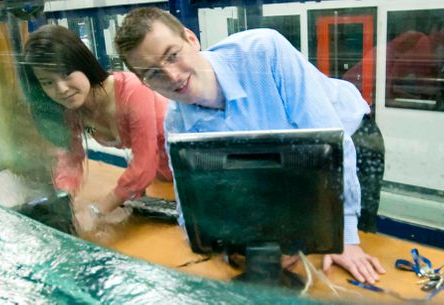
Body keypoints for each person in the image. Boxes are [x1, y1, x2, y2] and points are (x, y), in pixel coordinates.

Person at [115, 7, 387, 284]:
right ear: (143, 82)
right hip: (290, 155)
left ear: (191, 39)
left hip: (349, 138)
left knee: (341, 253)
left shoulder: (264, 52)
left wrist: (345, 238)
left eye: (173, 55)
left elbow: (329, 145)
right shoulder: (178, 122)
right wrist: (220, 241)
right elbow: (193, 198)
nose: (172, 76)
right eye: (153, 73)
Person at [22, 25, 172, 229]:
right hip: (161, 180)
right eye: (48, 82)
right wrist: (64, 201)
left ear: (82, 64)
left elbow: (144, 163)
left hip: (193, 170)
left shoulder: (132, 91)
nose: (61, 89)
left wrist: (98, 209)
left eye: (66, 74)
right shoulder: (73, 111)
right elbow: (70, 159)